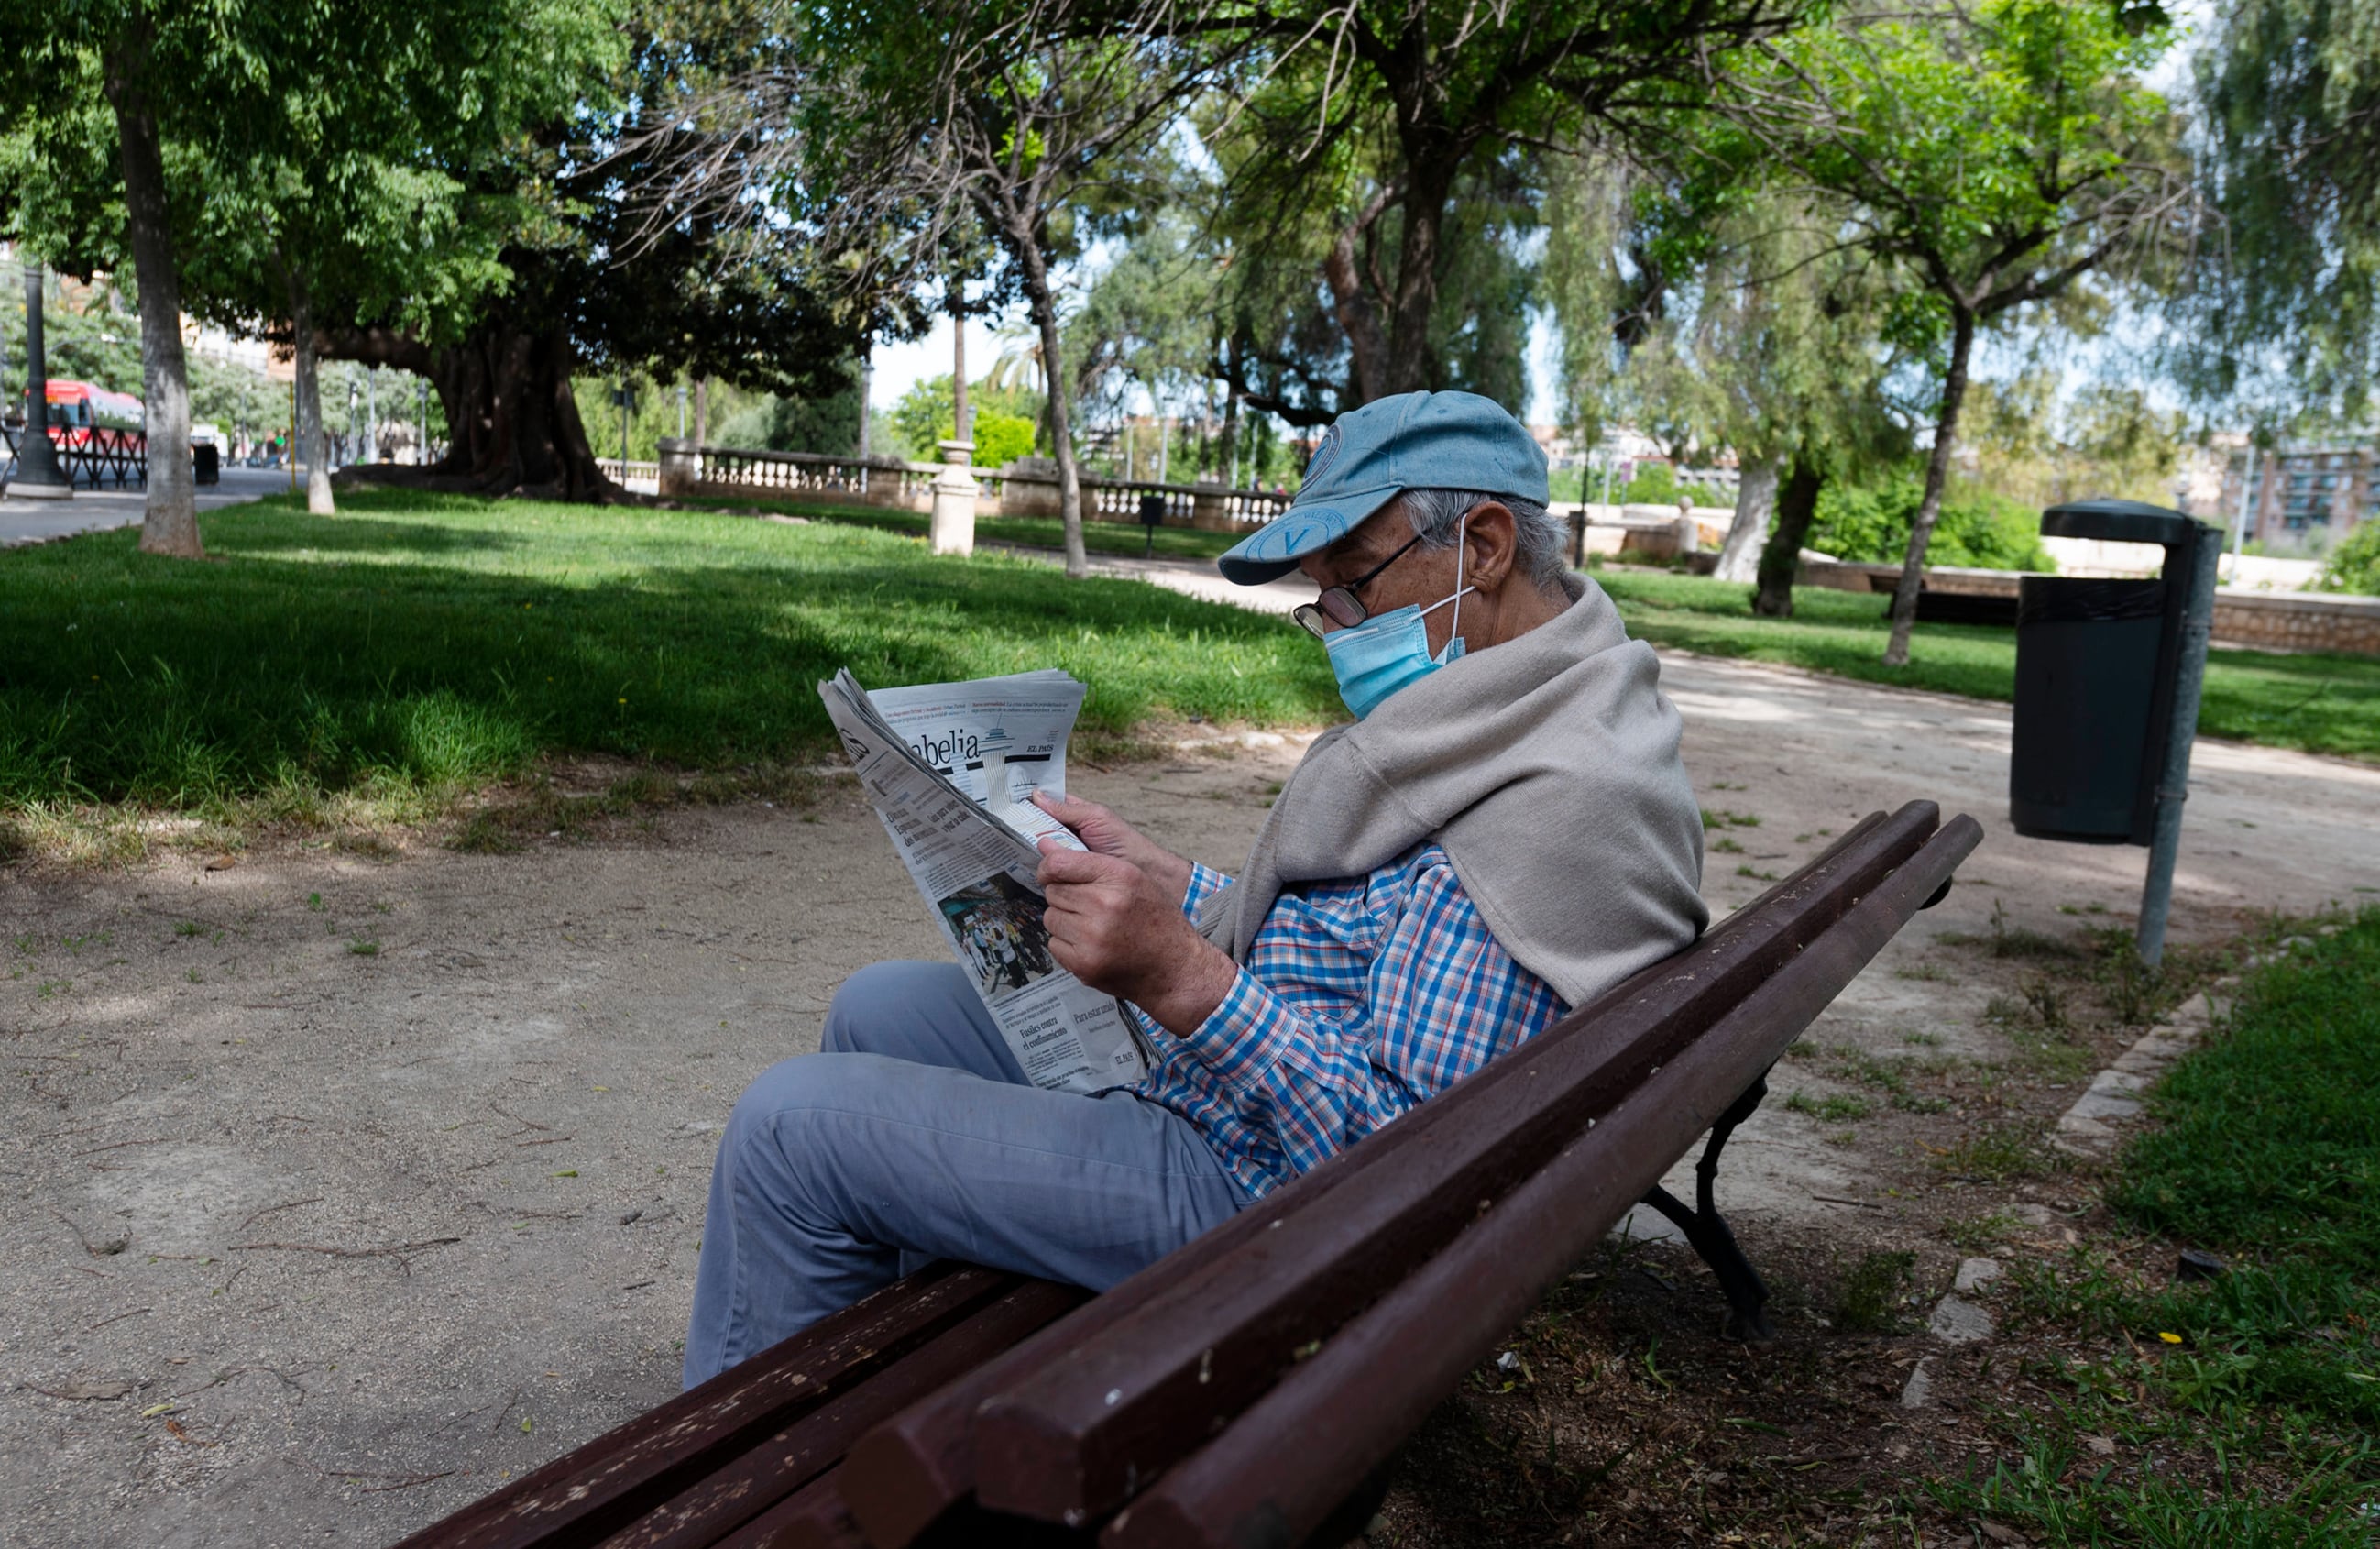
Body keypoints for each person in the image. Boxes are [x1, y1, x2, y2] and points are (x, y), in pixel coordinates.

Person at [683, 390, 1707, 1386]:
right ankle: (885, 1395)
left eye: (1350, 583)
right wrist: (1175, 882)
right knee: (881, 1006)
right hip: (1254, 1120)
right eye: (1324, 601)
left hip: (1274, 1201)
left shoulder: (1551, 807)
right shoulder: (1535, 709)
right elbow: (1384, 933)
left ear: (1480, 548)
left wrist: (1182, 974)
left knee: (790, 1128)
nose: (1337, 624)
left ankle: (748, 1486)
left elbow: (1404, 1170)